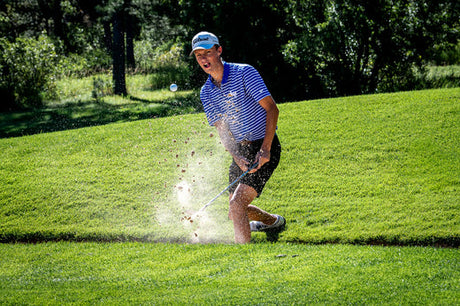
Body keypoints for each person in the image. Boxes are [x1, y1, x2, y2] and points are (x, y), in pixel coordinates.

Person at [190, 31, 286, 243]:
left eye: (208, 52)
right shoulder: (206, 92)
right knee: (234, 211)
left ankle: (244, 257)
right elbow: (222, 130)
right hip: (242, 150)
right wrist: (235, 155)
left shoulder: (244, 73)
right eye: (199, 55)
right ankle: (273, 222)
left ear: (219, 50)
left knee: (236, 204)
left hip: (264, 145)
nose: (204, 59)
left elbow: (272, 109)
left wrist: (266, 149)